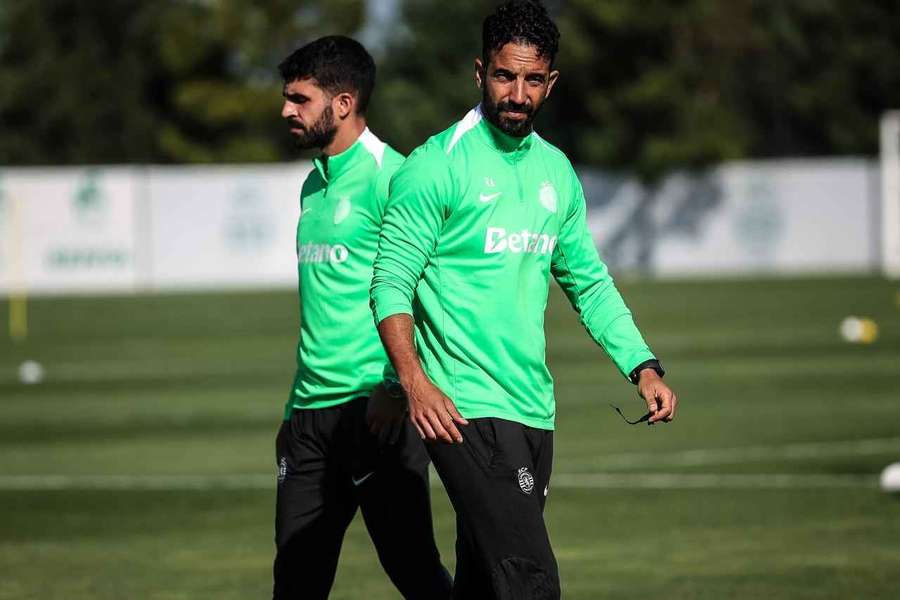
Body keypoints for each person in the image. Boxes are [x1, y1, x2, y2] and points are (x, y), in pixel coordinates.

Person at [369, 2, 678, 598]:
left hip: (533, 407)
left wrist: (642, 365)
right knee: (531, 581)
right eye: (505, 77)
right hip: (461, 409)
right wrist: (411, 381)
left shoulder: (557, 173)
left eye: (532, 80)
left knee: (485, 583)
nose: (517, 93)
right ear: (479, 72)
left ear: (550, 82)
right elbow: (389, 283)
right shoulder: (437, 166)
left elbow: (588, 281)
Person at [273, 36, 451, 600]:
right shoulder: (312, 185)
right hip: (307, 420)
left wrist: (397, 389)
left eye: (300, 99)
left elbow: (429, 297)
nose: (286, 111)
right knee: (296, 584)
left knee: (416, 574)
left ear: (343, 103)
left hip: (377, 415)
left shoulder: (395, 178)